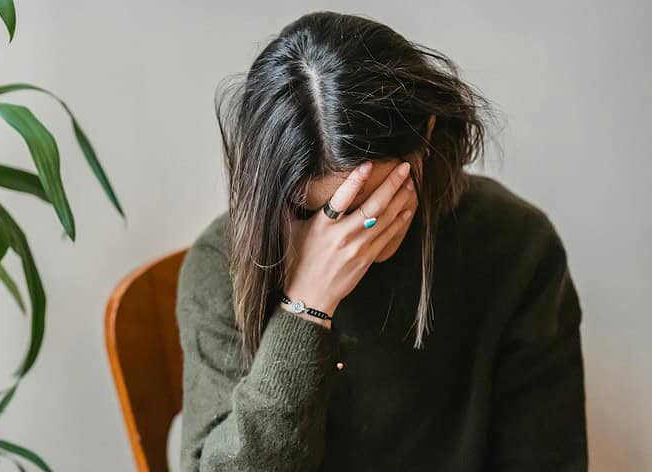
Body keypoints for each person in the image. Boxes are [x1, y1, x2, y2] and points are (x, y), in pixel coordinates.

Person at [176, 11, 587, 472]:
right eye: (313, 212)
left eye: (369, 202)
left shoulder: (516, 247)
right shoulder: (220, 267)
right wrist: (306, 310)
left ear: (426, 135)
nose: (346, 236)